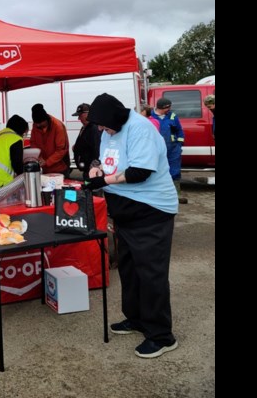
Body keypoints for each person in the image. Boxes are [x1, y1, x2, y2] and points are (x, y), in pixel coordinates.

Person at [83, 93, 179, 359]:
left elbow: (139, 172)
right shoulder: (108, 130)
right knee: (129, 269)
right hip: (125, 213)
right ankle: (136, 318)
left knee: (151, 274)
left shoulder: (140, 129)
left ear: (115, 117)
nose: (101, 130)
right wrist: (95, 168)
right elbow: (105, 159)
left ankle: (161, 335)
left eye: (103, 125)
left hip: (151, 212)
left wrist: (104, 181)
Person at [150, 98, 187, 205]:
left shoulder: (172, 116)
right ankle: (159, 194)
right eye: (167, 107)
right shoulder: (151, 116)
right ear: (162, 108)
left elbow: (180, 131)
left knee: (174, 170)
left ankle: (176, 194)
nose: (169, 109)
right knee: (157, 170)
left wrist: (179, 144)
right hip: (156, 149)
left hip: (172, 148)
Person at [30, 103, 70, 176]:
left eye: (40, 123)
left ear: (45, 119)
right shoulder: (35, 126)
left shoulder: (58, 127)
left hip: (59, 169)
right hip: (43, 169)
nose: (38, 125)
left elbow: (61, 150)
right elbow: (33, 143)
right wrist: (38, 157)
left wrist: (47, 162)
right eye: (36, 123)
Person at [72, 103, 101, 178]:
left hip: (91, 170)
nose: (79, 118)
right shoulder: (85, 127)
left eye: (80, 115)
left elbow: (97, 150)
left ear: (88, 114)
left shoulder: (94, 129)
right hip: (86, 169)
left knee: (90, 188)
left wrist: (94, 168)